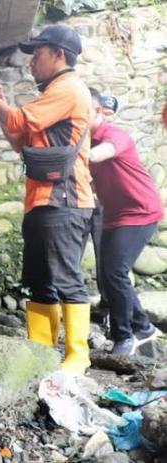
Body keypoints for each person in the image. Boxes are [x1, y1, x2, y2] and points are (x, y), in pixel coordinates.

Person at [0, 24, 94, 374]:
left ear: (58, 54)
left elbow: (15, 119)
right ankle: (42, 351)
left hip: (64, 200)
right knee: (41, 280)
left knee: (67, 279)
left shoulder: (68, 88)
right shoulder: (53, 93)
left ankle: (77, 355)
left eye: (37, 54)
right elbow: (17, 136)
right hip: (43, 202)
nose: (31, 62)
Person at [87, 88, 164, 355]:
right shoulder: (85, 141)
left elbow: (102, 154)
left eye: (81, 111)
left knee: (115, 271)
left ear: (98, 111)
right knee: (109, 275)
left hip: (141, 211)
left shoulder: (113, 134)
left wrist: (72, 155)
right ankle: (143, 327)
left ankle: (125, 337)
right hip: (114, 215)